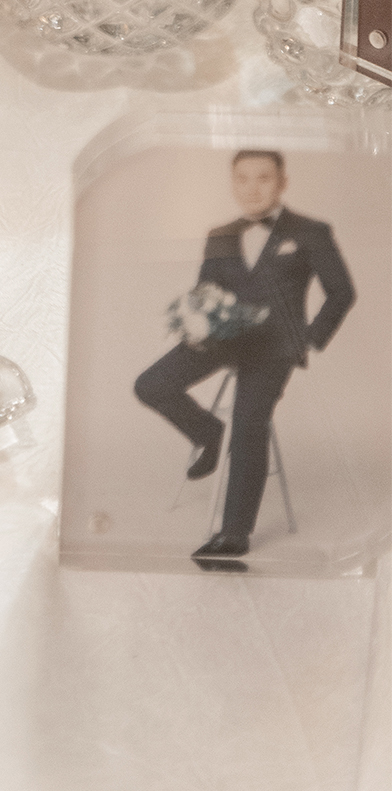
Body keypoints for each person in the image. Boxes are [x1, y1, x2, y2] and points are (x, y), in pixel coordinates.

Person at [133, 149, 355, 567]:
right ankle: (208, 432)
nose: (252, 189)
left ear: (282, 182)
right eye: (243, 179)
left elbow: (341, 292)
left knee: (249, 421)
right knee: (150, 384)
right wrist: (194, 323)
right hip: (223, 337)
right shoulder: (220, 234)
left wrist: (309, 338)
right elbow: (205, 292)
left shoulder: (310, 231)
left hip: (274, 347)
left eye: (264, 178)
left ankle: (234, 532)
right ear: (232, 183)